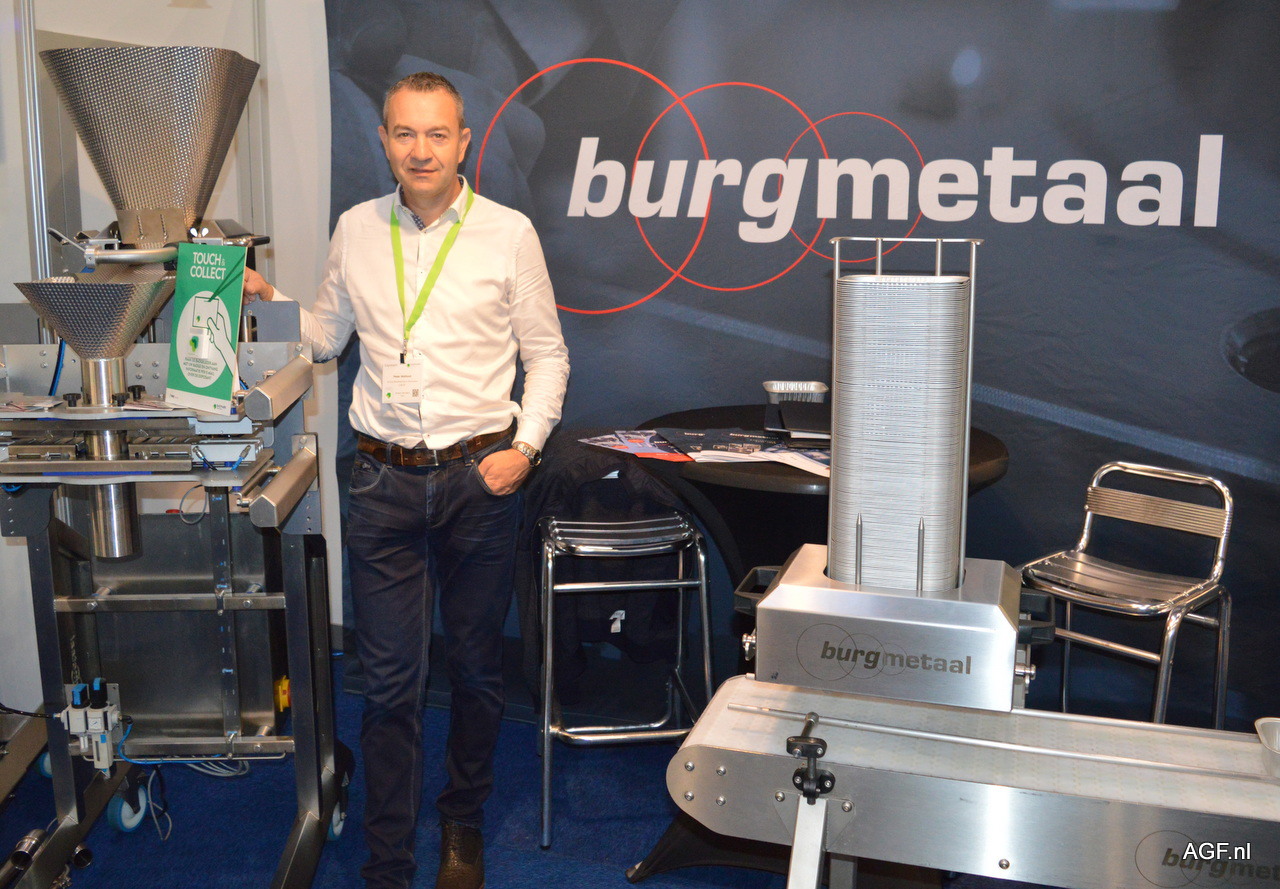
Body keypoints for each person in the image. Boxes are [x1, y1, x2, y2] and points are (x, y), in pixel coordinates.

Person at [243, 71, 569, 889]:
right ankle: (388, 859)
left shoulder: (508, 233)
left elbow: (548, 356)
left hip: (478, 485)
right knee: (389, 684)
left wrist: (525, 449)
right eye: (404, 132)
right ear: (385, 139)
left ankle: (462, 819)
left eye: (437, 133)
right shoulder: (356, 228)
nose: (420, 149)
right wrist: (268, 297)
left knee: (476, 670)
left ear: (463, 143)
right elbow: (325, 338)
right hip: (383, 484)